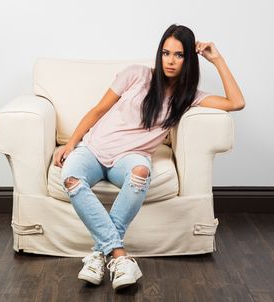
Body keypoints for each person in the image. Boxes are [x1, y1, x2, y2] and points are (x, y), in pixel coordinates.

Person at [53, 24, 245, 291]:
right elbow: (98, 110)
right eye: (166, 53)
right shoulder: (136, 75)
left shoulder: (188, 98)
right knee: (71, 177)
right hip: (93, 149)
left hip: (131, 158)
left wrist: (217, 59)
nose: (170, 60)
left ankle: (99, 255)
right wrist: (71, 144)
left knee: (141, 173)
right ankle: (118, 257)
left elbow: (236, 102)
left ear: (188, 59)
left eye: (179, 55)